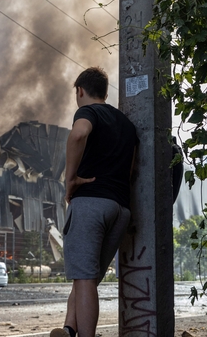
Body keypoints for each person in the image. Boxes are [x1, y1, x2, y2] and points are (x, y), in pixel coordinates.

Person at [51, 67, 138, 337]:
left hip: (90, 204)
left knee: (85, 278)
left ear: (80, 91)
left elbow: (78, 134)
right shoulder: (126, 124)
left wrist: (70, 179)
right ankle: (69, 329)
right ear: (105, 93)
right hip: (120, 209)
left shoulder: (88, 112)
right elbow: (132, 169)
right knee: (86, 277)